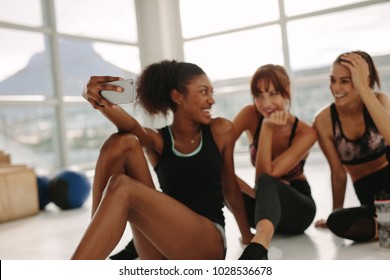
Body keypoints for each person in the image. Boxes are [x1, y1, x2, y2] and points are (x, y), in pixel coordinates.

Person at [71, 60, 253, 260]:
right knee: (120, 142)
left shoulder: (221, 130)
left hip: (207, 242)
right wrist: (96, 98)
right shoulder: (159, 140)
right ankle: (94, 249)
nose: (211, 100)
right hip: (161, 246)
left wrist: (247, 237)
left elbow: (230, 189)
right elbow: (133, 128)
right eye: (203, 92)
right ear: (177, 96)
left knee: (121, 186)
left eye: (211, 93)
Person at [232, 64, 317, 260]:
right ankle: (249, 236)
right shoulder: (250, 114)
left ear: (287, 91)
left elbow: (265, 176)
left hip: (297, 209)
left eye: (273, 93)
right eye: (259, 95)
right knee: (219, 174)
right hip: (262, 205)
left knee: (268, 181)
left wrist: (267, 130)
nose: (265, 103)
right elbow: (219, 151)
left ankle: (258, 247)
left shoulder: (306, 132)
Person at [313, 51, 390, 242]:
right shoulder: (324, 121)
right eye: (333, 80)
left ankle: (385, 228)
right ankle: (384, 226)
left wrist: (364, 89)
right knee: (337, 221)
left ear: (364, 79)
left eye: (345, 81)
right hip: (372, 200)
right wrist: (334, 213)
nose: (335, 87)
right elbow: (338, 174)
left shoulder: (378, 100)